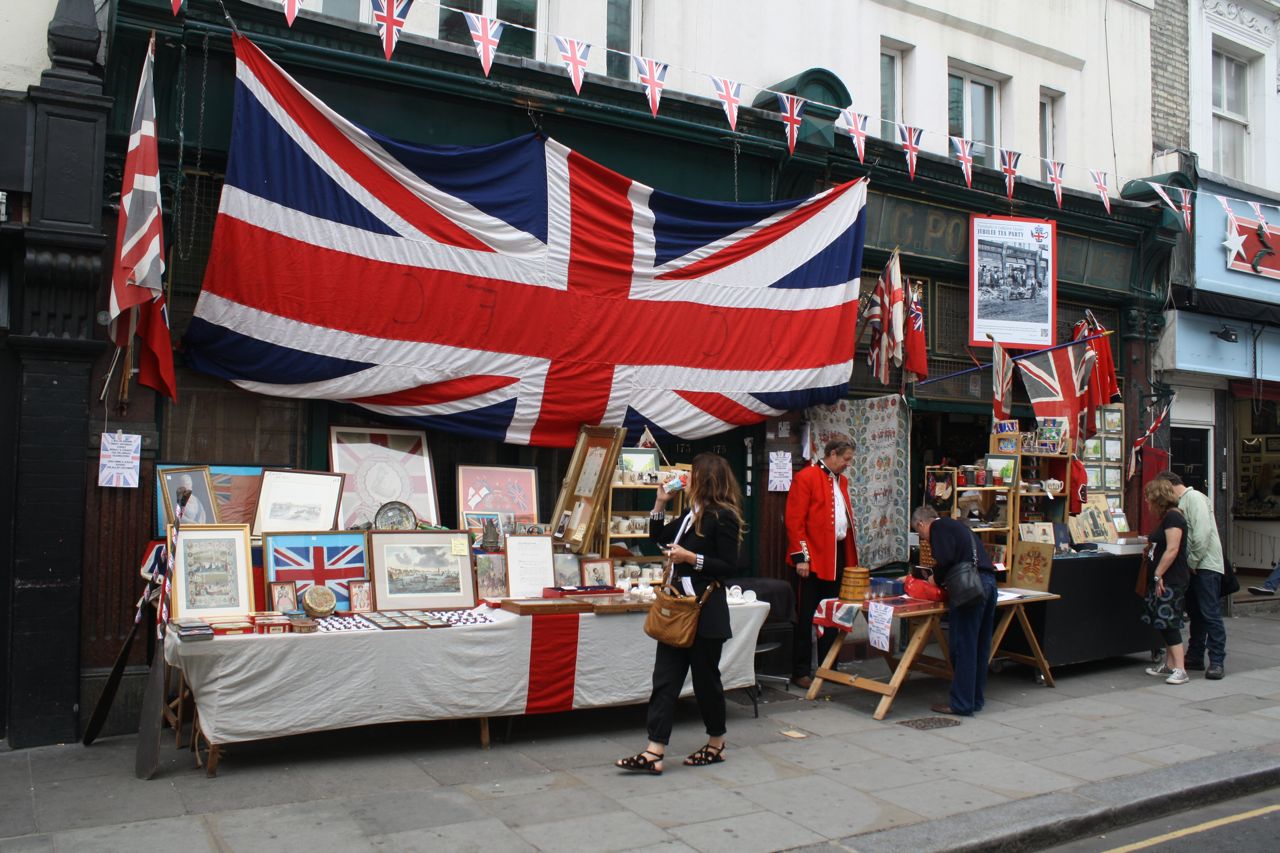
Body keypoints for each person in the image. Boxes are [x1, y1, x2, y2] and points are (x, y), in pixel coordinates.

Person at [615, 452, 744, 776]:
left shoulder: (723, 516)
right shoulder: (691, 514)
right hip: (679, 609)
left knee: (705, 682)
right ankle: (654, 750)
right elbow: (657, 539)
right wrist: (659, 503)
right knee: (665, 680)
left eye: (693, 475)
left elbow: (730, 566)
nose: (687, 481)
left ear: (706, 480)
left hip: (705, 610)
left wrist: (692, 557)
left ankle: (716, 743)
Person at [910, 506, 998, 716]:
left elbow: (946, 558)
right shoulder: (958, 526)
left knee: (963, 646)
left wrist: (935, 577)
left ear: (922, 524)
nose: (922, 538)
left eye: (918, 531)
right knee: (979, 645)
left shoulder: (938, 528)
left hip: (970, 588)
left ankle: (961, 703)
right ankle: (975, 699)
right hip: (988, 583)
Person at [785, 437, 858, 689]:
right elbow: (795, 521)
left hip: (836, 555)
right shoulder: (806, 477)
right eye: (846, 459)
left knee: (832, 613)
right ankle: (801, 670)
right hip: (813, 557)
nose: (848, 465)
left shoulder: (842, 481)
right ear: (833, 454)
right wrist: (801, 557)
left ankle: (829, 667)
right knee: (806, 616)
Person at [1154, 471, 1226, 679]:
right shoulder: (1180, 504)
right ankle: (1194, 655)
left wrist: (1192, 561)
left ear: (1169, 485)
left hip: (1205, 566)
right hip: (1193, 566)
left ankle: (1217, 660)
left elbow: (1202, 533)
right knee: (1196, 612)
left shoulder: (1193, 498)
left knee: (1209, 612)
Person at [1141, 478, 1192, 685]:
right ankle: (1171, 665)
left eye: (1148, 498)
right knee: (1162, 622)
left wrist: (1158, 574)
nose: (1146, 502)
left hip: (1171, 579)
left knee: (1169, 621)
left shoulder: (1173, 518)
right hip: (1165, 578)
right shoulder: (1168, 518)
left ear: (1157, 499)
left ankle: (1180, 668)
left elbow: (1172, 549)